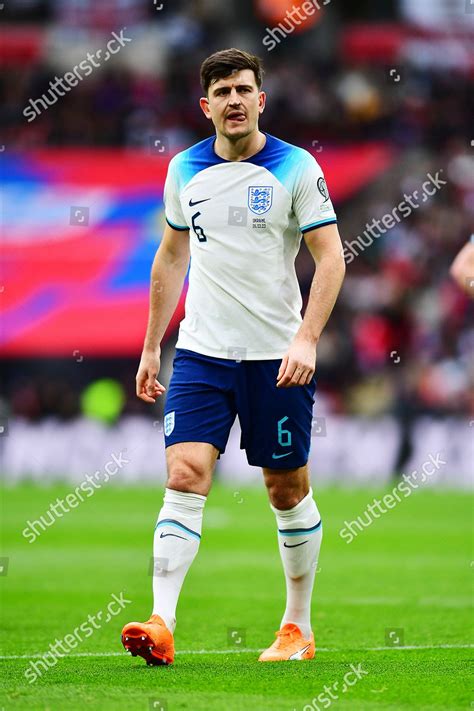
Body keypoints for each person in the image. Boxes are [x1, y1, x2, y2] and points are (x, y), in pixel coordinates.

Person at [121, 48, 345, 665]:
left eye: (244, 89)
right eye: (223, 93)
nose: (235, 100)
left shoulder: (296, 168)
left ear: (261, 99)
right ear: (206, 105)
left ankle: (296, 627)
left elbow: (332, 258)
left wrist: (306, 337)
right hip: (201, 353)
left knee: (285, 489)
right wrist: (150, 346)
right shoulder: (183, 170)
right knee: (185, 474)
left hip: (276, 356)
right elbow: (169, 259)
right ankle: (162, 622)